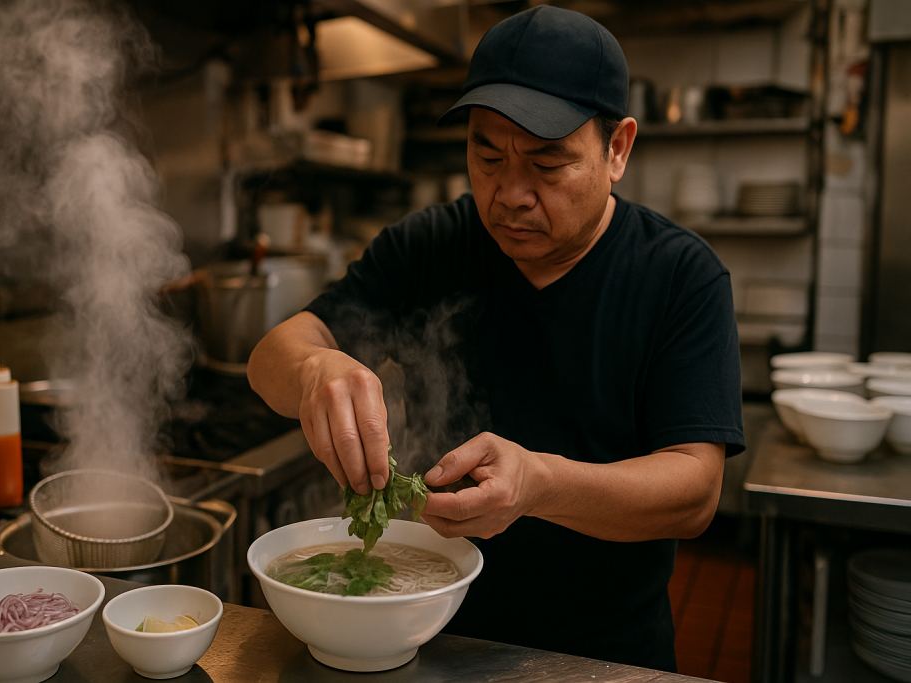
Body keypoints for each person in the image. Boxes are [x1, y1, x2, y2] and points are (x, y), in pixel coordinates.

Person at [247, 5, 744, 672]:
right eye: (487, 154)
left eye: (547, 162)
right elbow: (275, 352)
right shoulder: (431, 245)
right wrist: (315, 371)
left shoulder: (680, 276)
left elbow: (694, 490)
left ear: (617, 148)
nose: (510, 193)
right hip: (431, 639)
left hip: (604, 656)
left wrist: (538, 483)